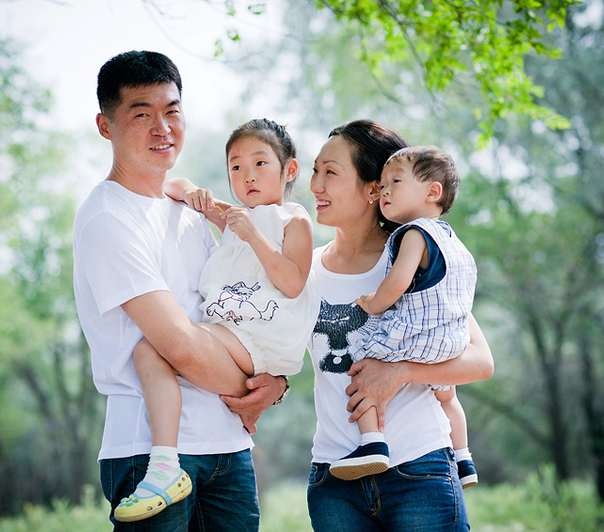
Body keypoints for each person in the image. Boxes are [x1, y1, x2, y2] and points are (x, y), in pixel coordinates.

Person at [72, 51, 286, 531]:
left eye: (172, 111)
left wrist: (276, 382)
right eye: (141, 114)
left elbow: (239, 312)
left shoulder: (189, 210)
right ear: (106, 126)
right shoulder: (108, 218)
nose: (162, 128)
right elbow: (179, 345)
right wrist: (255, 391)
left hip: (228, 446)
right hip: (149, 452)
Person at [118, 118, 319, 522]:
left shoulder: (292, 220)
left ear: (289, 170)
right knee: (151, 351)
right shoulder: (236, 217)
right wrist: (194, 193)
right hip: (234, 334)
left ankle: (163, 465)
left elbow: (293, 282)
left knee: (151, 350)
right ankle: (167, 459)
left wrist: (253, 237)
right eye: (236, 167)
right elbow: (173, 185)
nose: (248, 176)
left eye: (260, 163)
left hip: (260, 337)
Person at [306, 120, 494, 531]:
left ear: (374, 189)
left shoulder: (412, 259)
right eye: (314, 170)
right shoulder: (304, 270)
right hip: (334, 480)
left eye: (330, 172)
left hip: (419, 470)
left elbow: (481, 362)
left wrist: (399, 372)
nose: (315, 185)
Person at [328, 146, 479, 489]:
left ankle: (372, 443)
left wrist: (373, 303)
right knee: (448, 397)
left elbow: (397, 282)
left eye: (395, 181)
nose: (385, 191)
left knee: (362, 361)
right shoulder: (453, 240)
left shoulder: (414, 233)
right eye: (382, 184)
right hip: (451, 341)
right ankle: (464, 457)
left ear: (432, 191)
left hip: (416, 334)